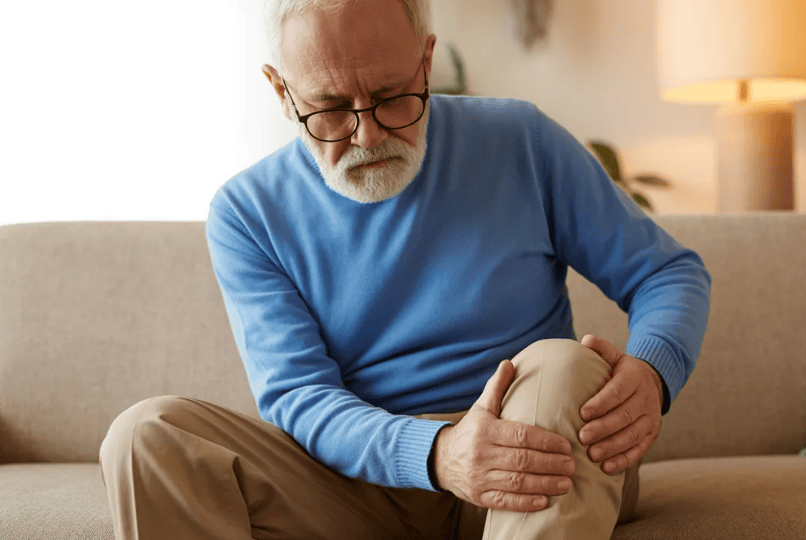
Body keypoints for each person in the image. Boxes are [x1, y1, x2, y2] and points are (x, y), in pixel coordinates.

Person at [99, 0, 711, 538]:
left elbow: (667, 273)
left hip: (536, 448)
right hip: (358, 485)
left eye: (392, 96)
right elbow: (299, 395)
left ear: (425, 62)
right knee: (148, 436)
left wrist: (654, 373)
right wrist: (439, 454)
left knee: (563, 364)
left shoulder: (519, 139)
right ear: (281, 92)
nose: (367, 135)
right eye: (330, 109)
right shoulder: (246, 212)